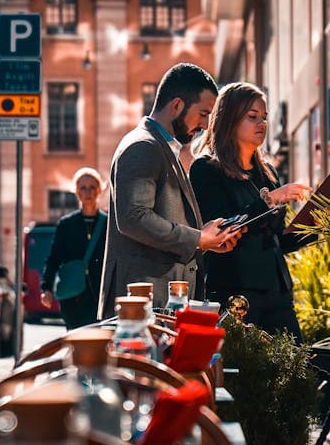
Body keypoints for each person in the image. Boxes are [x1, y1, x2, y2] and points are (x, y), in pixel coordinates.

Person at [97, 63, 243, 318]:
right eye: (203, 113)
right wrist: (197, 238)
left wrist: (205, 240)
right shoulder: (143, 146)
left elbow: (162, 222)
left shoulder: (163, 148)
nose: (206, 125)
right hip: (144, 304)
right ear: (176, 105)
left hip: (159, 301)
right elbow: (134, 218)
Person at [189, 82, 312, 338]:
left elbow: (279, 240)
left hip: (277, 292)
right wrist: (271, 200)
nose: (262, 124)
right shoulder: (206, 169)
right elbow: (223, 229)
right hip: (236, 294)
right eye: (252, 117)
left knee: (295, 372)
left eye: (264, 118)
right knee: (244, 375)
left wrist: (313, 224)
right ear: (229, 119)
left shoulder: (266, 173)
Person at [41, 168, 107, 330]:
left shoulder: (108, 223)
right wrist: (46, 288)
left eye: (92, 187)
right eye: (83, 188)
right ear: (76, 191)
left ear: (99, 190)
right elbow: (54, 259)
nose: (88, 192)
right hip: (73, 297)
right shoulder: (66, 224)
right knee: (76, 341)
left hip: (100, 297)